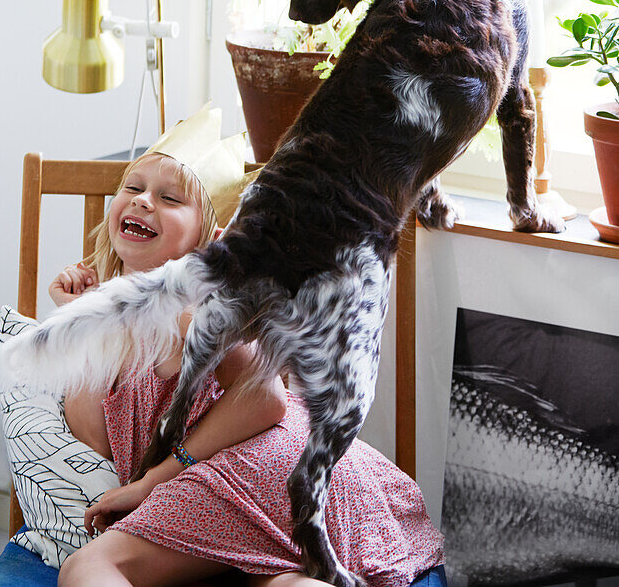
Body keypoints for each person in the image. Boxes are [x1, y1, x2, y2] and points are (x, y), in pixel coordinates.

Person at [45, 107, 446, 587]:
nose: (144, 202)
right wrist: (78, 320)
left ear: (210, 241)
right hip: (252, 488)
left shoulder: (190, 310)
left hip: (257, 463)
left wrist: (156, 480)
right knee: (271, 578)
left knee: (91, 565)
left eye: (169, 197)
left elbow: (266, 396)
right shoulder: (119, 318)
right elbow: (95, 434)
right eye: (133, 188)